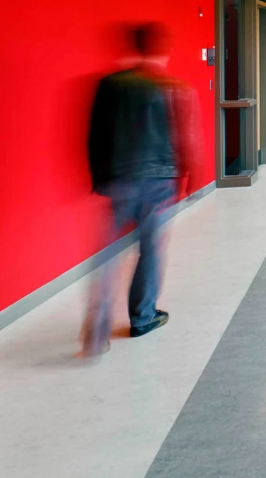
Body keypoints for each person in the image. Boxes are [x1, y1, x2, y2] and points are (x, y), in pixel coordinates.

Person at [82, 22, 197, 355]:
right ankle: (142, 317)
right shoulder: (173, 86)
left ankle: (98, 325)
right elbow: (184, 137)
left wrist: (99, 177)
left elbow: (95, 135)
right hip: (160, 181)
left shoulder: (109, 85)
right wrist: (192, 175)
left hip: (118, 179)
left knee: (107, 253)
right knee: (151, 249)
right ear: (163, 49)